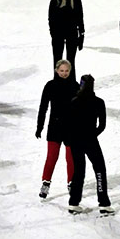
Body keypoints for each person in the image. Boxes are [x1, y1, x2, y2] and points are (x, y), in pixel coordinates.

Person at [65, 74, 113, 215]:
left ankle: (73, 203)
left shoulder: (74, 101)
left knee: (78, 171)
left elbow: (68, 124)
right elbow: (102, 125)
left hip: (75, 141)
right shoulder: (98, 102)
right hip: (90, 140)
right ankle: (103, 203)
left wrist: (71, 139)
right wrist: (92, 134)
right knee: (99, 169)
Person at [36, 60, 79, 199]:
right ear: (56, 70)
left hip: (71, 127)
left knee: (71, 158)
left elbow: (81, 109)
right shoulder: (50, 85)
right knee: (52, 157)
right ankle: (46, 183)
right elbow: (43, 107)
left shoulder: (75, 86)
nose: (64, 73)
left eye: (67, 71)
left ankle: (71, 183)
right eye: (62, 71)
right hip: (54, 127)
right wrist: (39, 126)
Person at [48, 0, 84, 75]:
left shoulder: (76, 0)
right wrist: (54, 35)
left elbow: (80, 18)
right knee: (57, 61)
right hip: (58, 35)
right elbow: (51, 20)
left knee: (71, 61)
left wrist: (81, 34)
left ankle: (71, 85)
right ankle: (57, 85)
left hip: (72, 34)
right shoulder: (54, 1)